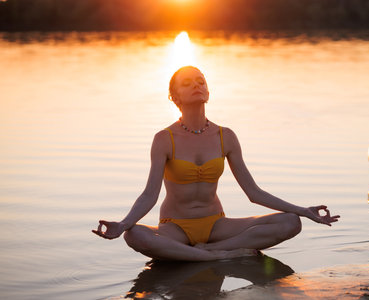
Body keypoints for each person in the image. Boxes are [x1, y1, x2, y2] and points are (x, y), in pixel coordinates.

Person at [93, 66, 340, 261]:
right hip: (174, 228)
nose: (196, 86)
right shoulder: (164, 139)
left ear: (208, 93)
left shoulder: (226, 136)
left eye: (201, 81)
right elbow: (149, 194)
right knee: (134, 234)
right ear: (174, 96)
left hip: (217, 226)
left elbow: (253, 193)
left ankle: (209, 252)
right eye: (187, 84)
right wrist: (123, 224)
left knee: (290, 222)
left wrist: (303, 211)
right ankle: (214, 257)